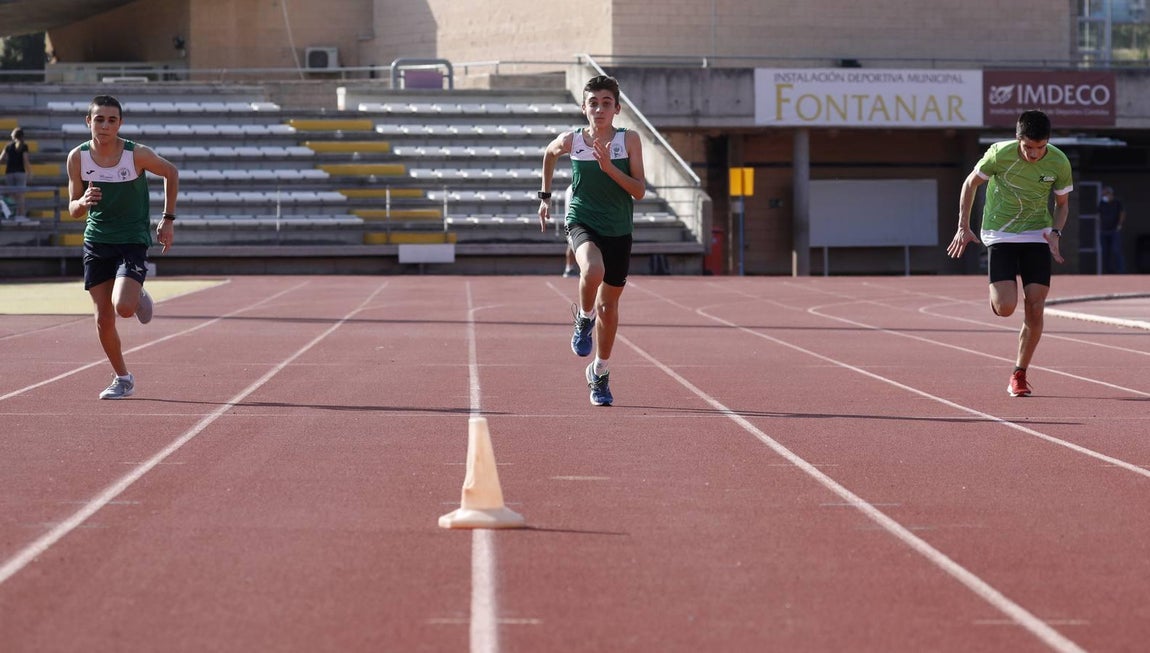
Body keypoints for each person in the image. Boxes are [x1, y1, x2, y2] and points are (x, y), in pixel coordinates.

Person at [947, 109, 1072, 397]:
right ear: (1019, 140)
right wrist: (963, 226)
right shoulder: (998, 154)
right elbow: (970, 183)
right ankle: (998, 295)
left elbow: (1062, 204)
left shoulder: (1059, 161)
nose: (1034, 154)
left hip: (1037, 234)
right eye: (1028, 147)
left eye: (1040, 147)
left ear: (1048, 142)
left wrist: (1055, 233)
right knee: (1005, 308)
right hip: (1000, 232)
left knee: (1036, 305)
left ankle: (1019, 373)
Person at [538, 75, 646, 406]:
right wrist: (545, 197)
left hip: (619, 229)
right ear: (583, 108)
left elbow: (639, 191)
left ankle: (599, 371)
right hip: (582, 220)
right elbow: (549, 153)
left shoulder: (629, 140)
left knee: (609, 307)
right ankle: (584, 318)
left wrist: (609, 167)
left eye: (606, 103)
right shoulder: (573, 140)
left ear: (617, 108)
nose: (599, 109)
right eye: (593, 103)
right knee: (592, 270)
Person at [66, 95, 179, 399]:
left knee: (124, 308)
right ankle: (122, 378)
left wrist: (167, 220)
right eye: (99, 119)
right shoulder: (77, 157)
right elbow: (73, 209)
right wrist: (82, 202)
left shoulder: (136, 154)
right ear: (88, 122)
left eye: (111, 120)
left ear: (120, 124)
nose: (104, 125)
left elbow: (171, 172)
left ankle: (135, 289)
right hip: (97, 241)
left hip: (131, 239)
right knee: (103, 318)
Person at [1, 127, 32, 219]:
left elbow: (1, 159)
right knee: (20, 195)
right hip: (20, 173)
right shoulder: (24, 146)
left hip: (9, 173)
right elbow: (25, 160)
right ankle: (21, 215)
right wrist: (29, 172)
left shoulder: (8, 146)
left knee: (12, 196)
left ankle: (11, 215)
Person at [1098, 185, 1126, 274]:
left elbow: (1122, 213)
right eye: (1103, 195)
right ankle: (1108, 271)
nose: (1104, 196)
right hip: (1104, 231)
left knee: (1116, 250)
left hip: (1114, 231)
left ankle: (1121, 271)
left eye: (1105, 194)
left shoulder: (1117, 202)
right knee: (1105, 252)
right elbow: (1098, 214)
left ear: (1110, 194)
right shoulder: (1102, 203)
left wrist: (1119, 225)